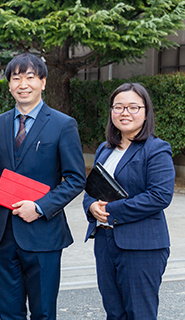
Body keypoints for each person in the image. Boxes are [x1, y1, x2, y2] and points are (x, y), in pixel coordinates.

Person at [0, 53, 86, 320]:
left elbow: (75, 179)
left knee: (43, 312)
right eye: (16, 78)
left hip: (43, 234)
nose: (23, 84)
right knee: (9, 312)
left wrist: (39, 207)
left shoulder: (63, 124)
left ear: (43, 82)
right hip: (3, 234)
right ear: (10, 84)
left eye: (30, 77)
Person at [82, 83, 174, 319]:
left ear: (145, 112)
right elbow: (92, 189)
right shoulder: (105, 148)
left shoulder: (156, 149)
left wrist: (111, 210)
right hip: (105, 242)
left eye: (133, 107)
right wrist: (91, 206)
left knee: (139, 313)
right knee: (114, 313)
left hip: (141, 247)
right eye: (119, 107)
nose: (125, 113)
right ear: (111, 112)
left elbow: (159, 196)